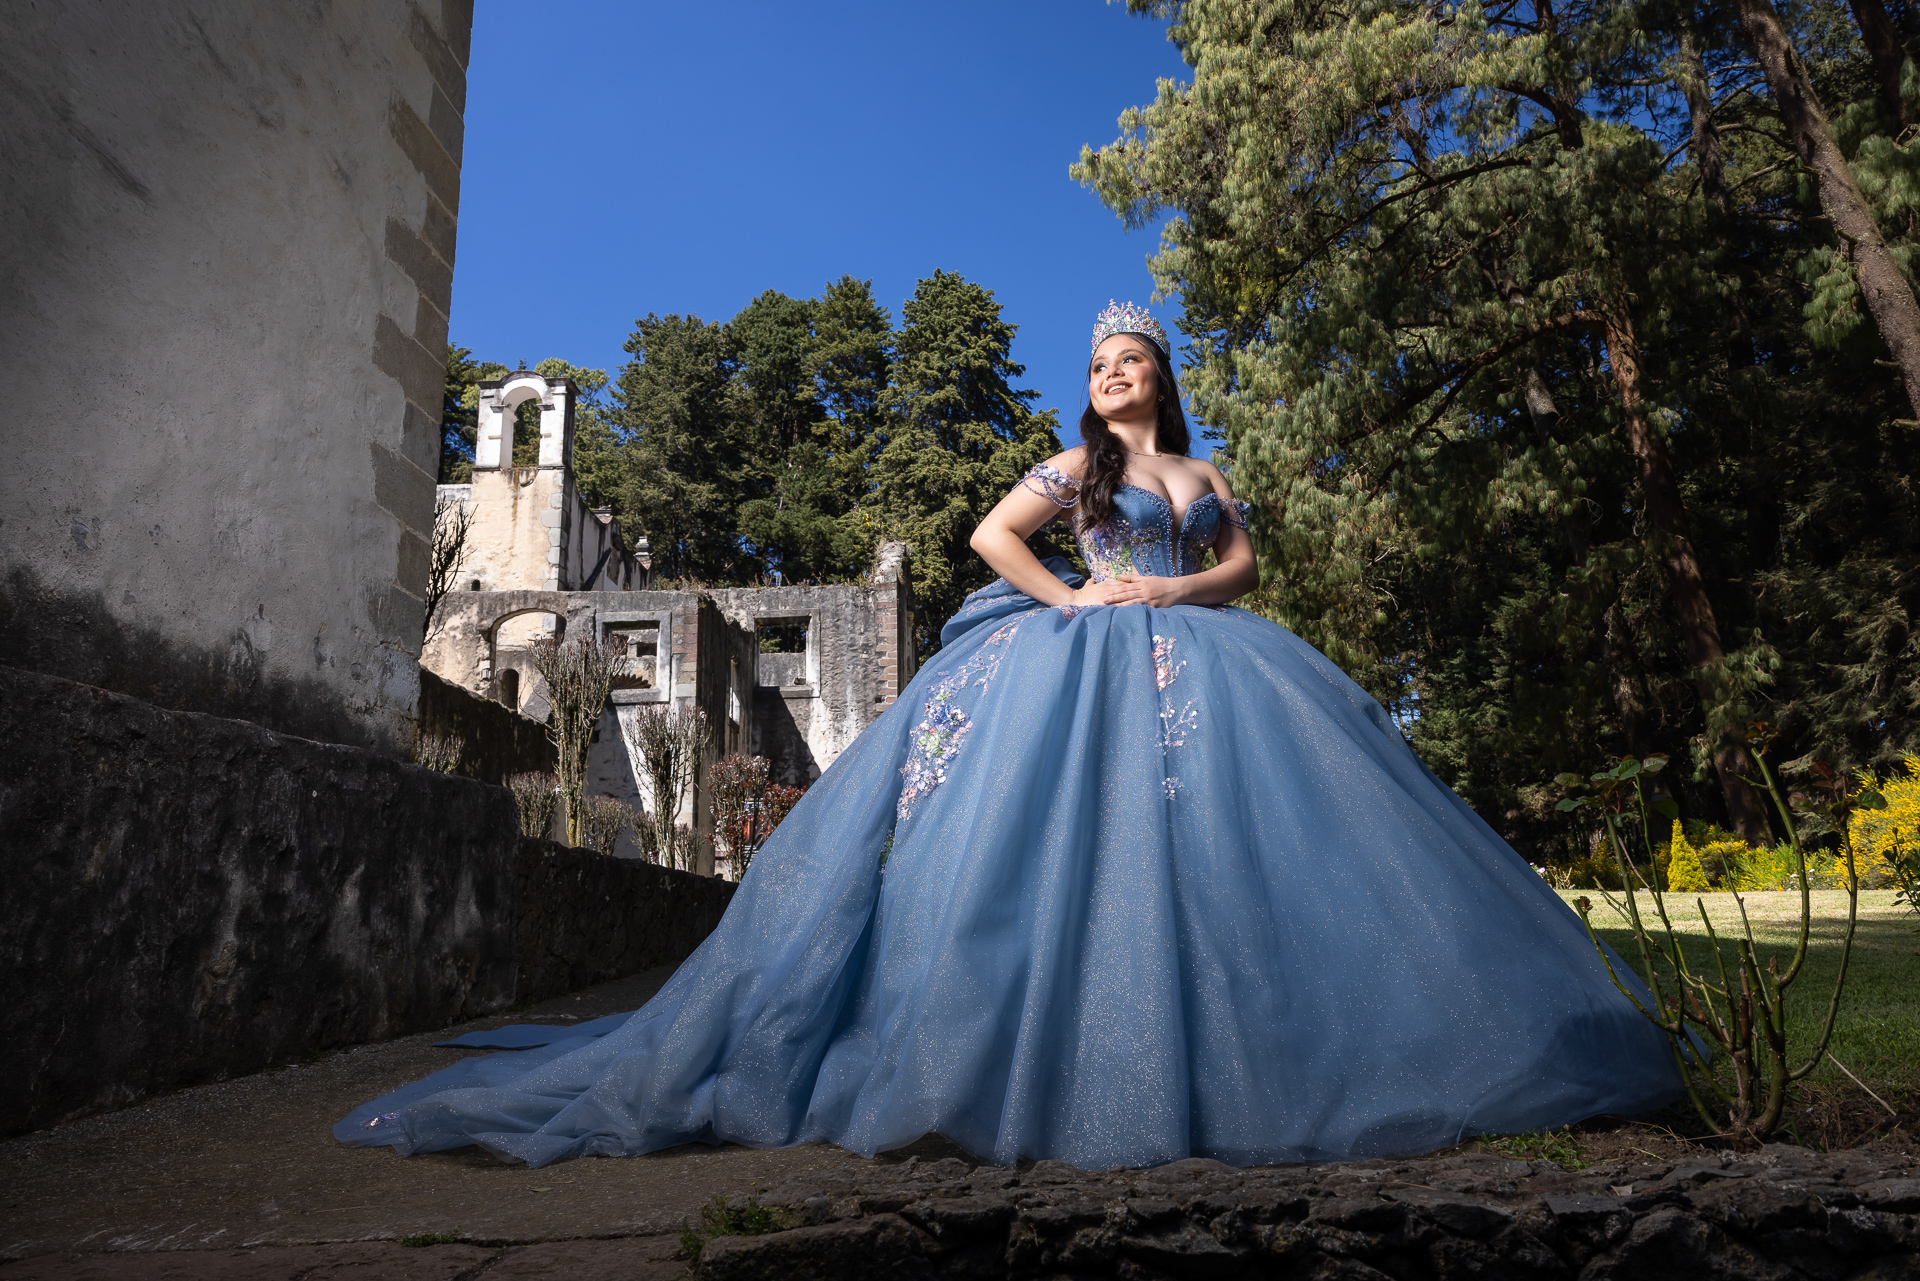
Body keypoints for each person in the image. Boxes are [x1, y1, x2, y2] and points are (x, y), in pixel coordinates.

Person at [337, 302, 1678, 1170]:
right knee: (1045, 848)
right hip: (1077, 655)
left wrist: (1170, 584)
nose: (1116, 376)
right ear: (1089, 391)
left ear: (1159, 377)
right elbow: (986, 537)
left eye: (1133, 361)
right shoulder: (1075, 472)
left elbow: (1248, 565)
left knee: (1230, 842)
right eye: (1100, 366)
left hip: (1202, 651)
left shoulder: (1200, 478)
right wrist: (1082, 592)